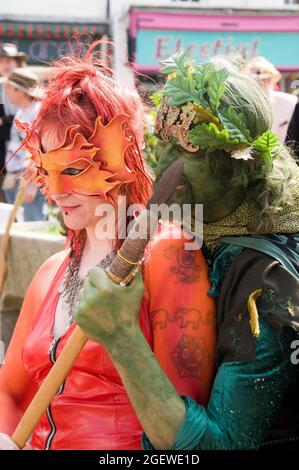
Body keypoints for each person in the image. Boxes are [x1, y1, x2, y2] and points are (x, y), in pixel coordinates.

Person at [74, 51, 299, 450]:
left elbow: (220, 445)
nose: (165, 166)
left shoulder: (267, 279)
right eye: (164, 144)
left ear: (239, 165)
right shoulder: (202, 221)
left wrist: (122, 337)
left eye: (189, 149)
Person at [0, 43, 217, 450]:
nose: (58, 191)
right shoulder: (51, 271)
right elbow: (9, 391)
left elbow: (184, 432)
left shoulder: (169, 255)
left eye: (76, 168)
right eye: (48, 168)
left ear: (123, 157)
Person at [2, 68, 45, 221]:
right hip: (17, 178)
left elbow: (38, 150)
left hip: (27, 181)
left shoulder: (36, 111)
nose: (6, 91)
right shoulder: (22, 112)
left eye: (9, 87)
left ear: (19, 90)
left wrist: (32, 185)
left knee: (34, 228)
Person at [246, 56, 297, 143]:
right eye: (255, 80)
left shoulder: (290, 102)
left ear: (271, 80)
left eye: (265, 80)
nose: (261, 83)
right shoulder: (243, 104)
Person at [0, 43, 25, 202]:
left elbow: (25, 124)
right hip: (4, 158)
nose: (5, 65)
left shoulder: (27, 86)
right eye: (2, 61)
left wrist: (6, 123)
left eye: (9, 61)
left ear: (17, 63)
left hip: (24, 158)